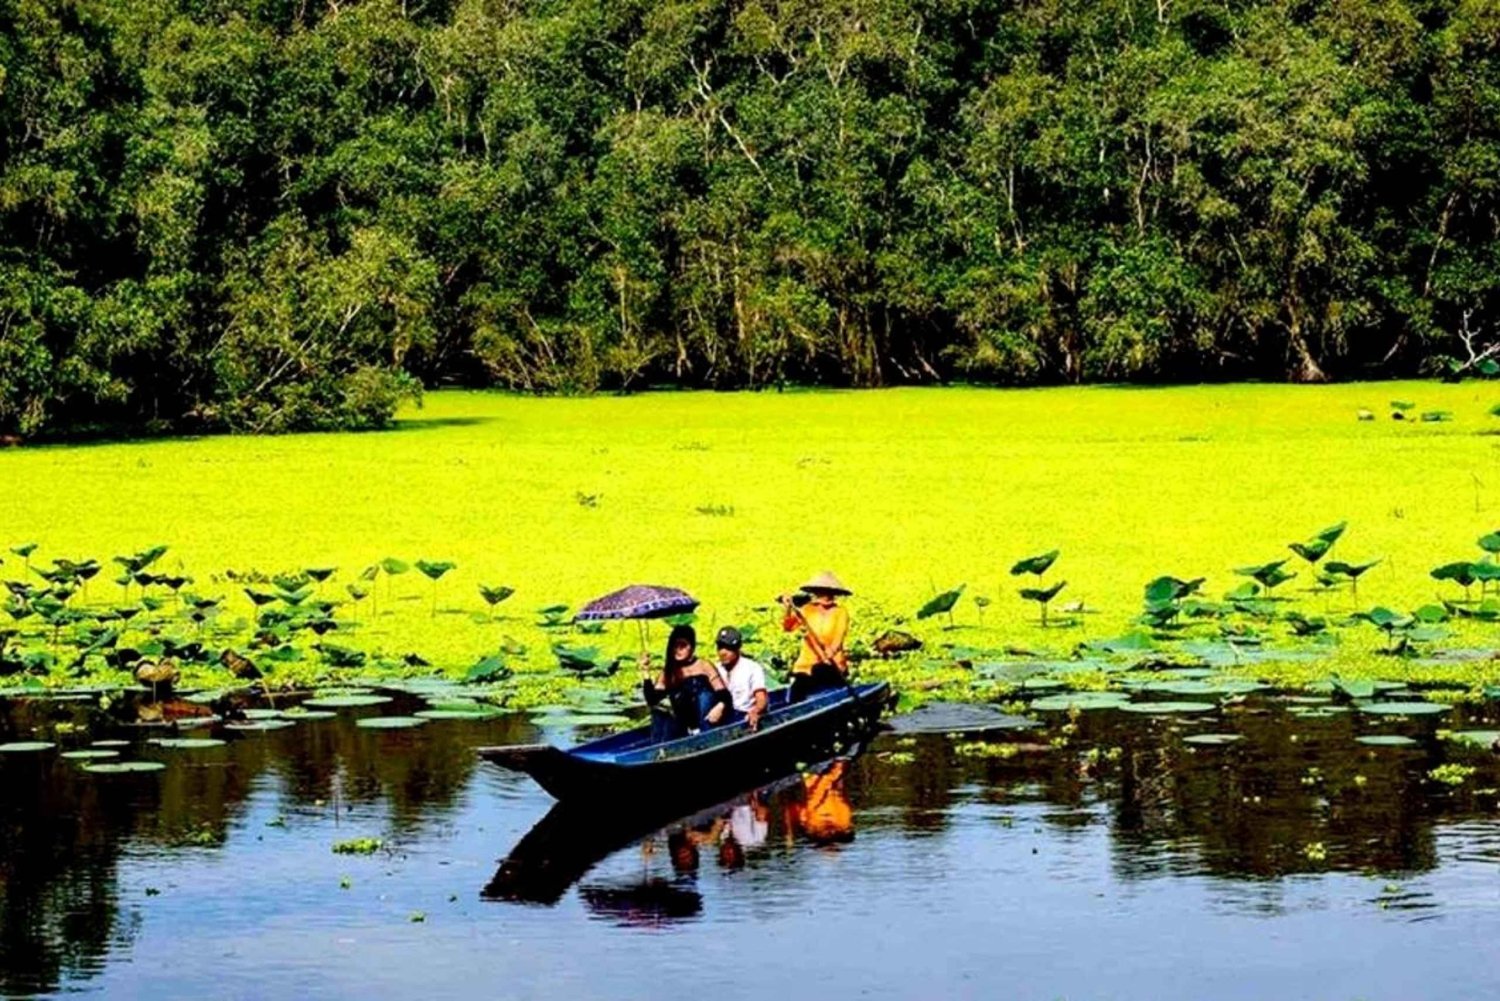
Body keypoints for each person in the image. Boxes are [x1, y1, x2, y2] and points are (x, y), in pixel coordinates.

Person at [640, 623, 731, 741]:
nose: (678, 650)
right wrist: (646, 672)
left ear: (692, 647)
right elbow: (652, 699)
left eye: (682, 646)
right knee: (659, 712)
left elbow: (724, 694)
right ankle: (660, 749)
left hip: (708, 719)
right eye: (675, 646)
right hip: (684, 726)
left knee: (705, 695)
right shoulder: (669, 672)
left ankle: (706, 736)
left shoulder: (704, 666)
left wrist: (720, 706)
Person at [780, 570, 852, 702]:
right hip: (806, 665)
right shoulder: (807, 610)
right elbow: (788, 627)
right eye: (823, 591)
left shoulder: (840, 612)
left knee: (822, 675)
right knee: (795, 695)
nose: (827, 596)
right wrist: (788, 608)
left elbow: (838, 638)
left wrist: (829, 654)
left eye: (830, 592)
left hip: (831, 664)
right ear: (816, 592)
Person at [713, 625, 769, 730]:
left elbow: (761, 698)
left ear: (737, 648)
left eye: (728, 648)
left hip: (744, 716)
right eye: (720, 647)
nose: (723, 653)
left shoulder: (752, 668)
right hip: (724, 717)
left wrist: (755, 711)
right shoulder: (715, 669)